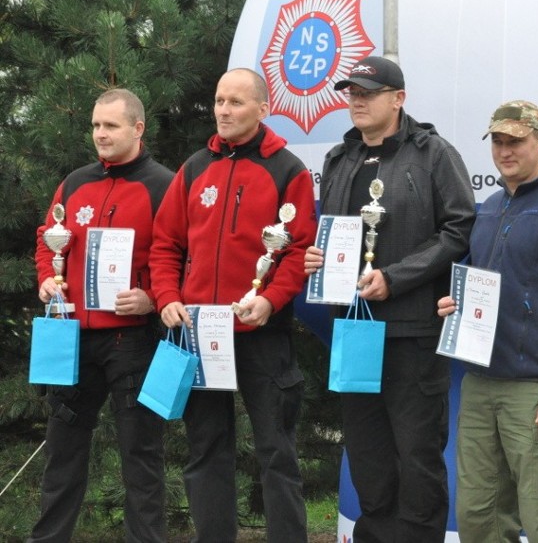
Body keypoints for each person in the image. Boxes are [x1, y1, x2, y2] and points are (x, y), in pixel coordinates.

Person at [304, 56, 475, 542]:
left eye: (367, 92)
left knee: (417, 459)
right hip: (353, 332)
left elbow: (458, 230)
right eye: (351, 92)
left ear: (398, 99)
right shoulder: (340, 158)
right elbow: (337, 235)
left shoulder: (434, 153)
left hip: (412, 332)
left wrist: (394, 279)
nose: (356, 100)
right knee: (368, 455)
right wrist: (321, 261)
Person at [149, 68, 317, 542]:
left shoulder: (288, 170)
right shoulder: (195, 167)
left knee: (277, 454)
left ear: (263, 109)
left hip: (263, 334)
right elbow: (165, 246)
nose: (223, 110)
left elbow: (298, 251)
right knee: (205, 452)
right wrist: (166, 298)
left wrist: (270, 300)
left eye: (236, 102)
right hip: (200, 333)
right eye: (219, 100)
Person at [437, 100, 538, 542]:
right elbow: (480, 287)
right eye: (498, 140)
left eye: (516, 141)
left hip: (537, 391)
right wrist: (454, 305)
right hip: (479, 384)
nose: (505, 150)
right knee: (479, 516)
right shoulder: (490, 207)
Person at [31, 88, 172, 542]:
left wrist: (151, 297)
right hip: (72, 337)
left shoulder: (164, 186)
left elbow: (180, 257)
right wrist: (45, 280)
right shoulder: (74, 183)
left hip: (131, 341)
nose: (100, 134)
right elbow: (46, 238)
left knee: (141, 455)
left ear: (137, 128)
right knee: (62, 452)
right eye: (95, 125)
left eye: (110, 126)